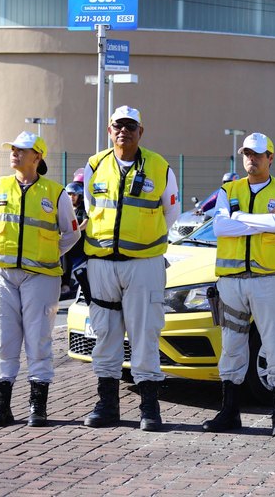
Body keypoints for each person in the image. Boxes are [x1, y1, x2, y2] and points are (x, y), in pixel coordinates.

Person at [82, 106, 181, 432]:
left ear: (141, 131)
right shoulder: (95, 165)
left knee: (145, 334)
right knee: (105, 334)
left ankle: (149, 409)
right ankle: (107, 405)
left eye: (130, 126)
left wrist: (143, 241)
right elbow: (90, 207)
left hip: (144, 265)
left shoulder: (159, 166)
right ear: (110, 131)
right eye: (117, 126)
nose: (123, 131)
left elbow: (171, 213)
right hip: (102, 264)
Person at [203, 132, 275, 438]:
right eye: (247, 153)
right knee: (231, 347)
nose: (252, 159)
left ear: (271, 157)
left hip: (269, 280)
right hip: (231, 282)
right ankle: (229, 412)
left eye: (258, 154)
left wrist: (239, 218)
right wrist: (259, 220)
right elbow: (219, 226)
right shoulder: (227, 189)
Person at [0, 131, 81, 427]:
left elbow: (72, 232)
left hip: (41, 277)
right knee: (5, 341)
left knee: (38, 341)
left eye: (21, 150)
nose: (14, 153)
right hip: (2, 275)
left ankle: (37, 408)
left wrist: (49, 254)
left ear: (37, 156)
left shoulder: (55, 193)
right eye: (13, 149)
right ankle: (2, 408)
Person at [60, 181, 87, 299]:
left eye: (74, 195)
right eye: (69, 194)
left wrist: (75, 232)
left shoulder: (84, 208)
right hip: (68, 238)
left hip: (80, 241)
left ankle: (65, 284)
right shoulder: (66, 209)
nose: (71, 197)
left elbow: (86, 222)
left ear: (79, 196)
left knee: (66, 252)